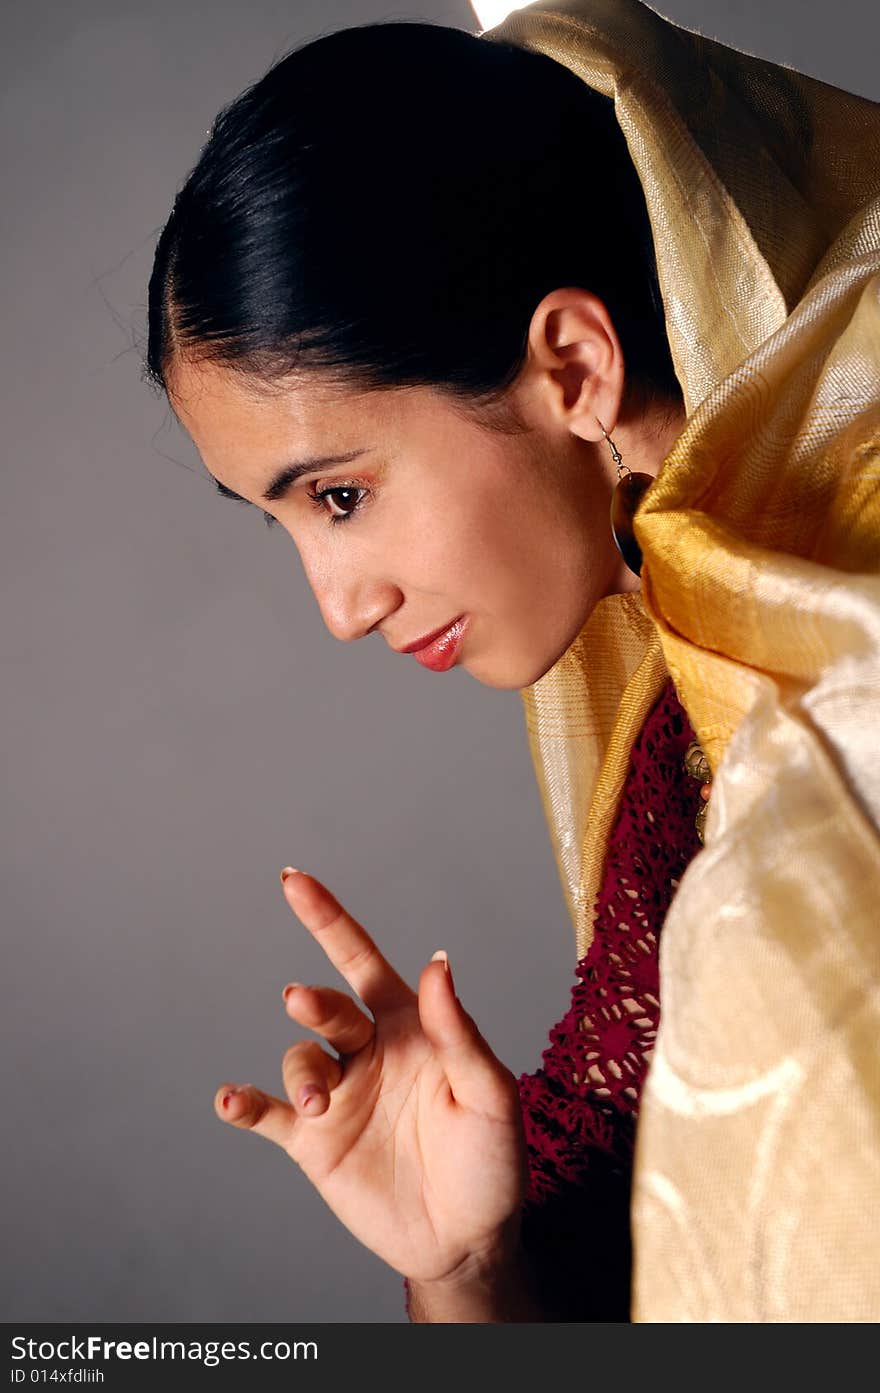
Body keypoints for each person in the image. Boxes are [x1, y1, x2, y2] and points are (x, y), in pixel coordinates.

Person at [145, 0, 880, 1321]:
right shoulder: (689, 703)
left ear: (574, 367)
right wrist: (467, 1264)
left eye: (340, 495)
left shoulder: (839, 717)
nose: (339, 607)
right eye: (283, 523)